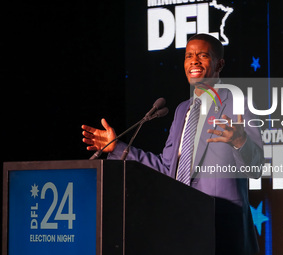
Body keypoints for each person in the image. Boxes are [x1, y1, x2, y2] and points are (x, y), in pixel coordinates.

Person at [82, 33, 264, 254]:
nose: (194, 61)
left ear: (220, 64)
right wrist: (116, 147)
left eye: (203, 55)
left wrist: (240, 141)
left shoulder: (238, 103)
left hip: (221, 227)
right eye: (189, 56)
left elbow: (257, 167)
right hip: (181, 225)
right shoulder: (182, 110)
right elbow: (167, 168)